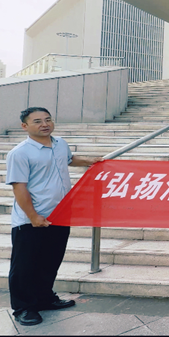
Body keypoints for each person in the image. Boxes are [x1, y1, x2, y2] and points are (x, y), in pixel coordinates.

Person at [6, 107, 102, 326]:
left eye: (48, 119)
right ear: (24, 126)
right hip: (31, 219)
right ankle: (23, 308)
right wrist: (33, 216)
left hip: (60, 214)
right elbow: (19, 187)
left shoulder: (60, 144)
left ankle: (45, 298)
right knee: (24, 265)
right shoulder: (20, 153)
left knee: (50, 260)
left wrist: (89, 161)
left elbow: (69, 159)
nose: (44, 124)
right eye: (37, 121)